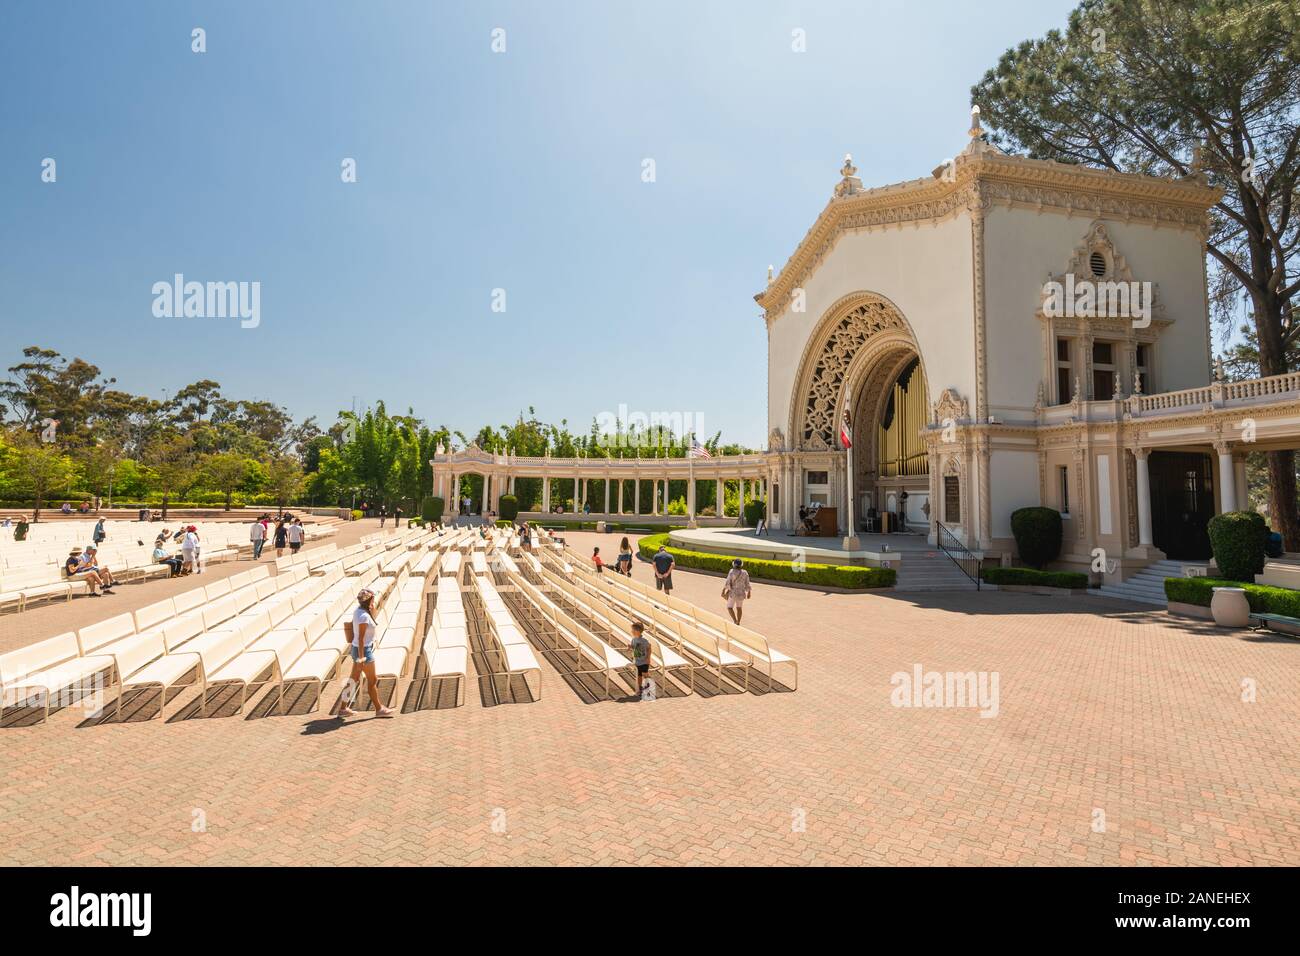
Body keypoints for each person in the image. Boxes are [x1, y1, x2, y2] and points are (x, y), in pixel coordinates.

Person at [340, 588, 396, 719]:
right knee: (372, 680)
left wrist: (371, 608)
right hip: (363, 651)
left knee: (352, 681)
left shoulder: (359, 611)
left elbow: (373, 618)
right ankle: (379, 709)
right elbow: (360, 638)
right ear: (368, 600)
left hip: (357, 649)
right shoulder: (363, 616)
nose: (374, 601)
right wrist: (361, 658)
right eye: (372, 599)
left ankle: (343, 708)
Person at [722, 558, 753, 625]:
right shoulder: (745, 572)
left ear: (734, 564)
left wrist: (723, 590)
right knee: (739, 608)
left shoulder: (731, 571)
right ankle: (738, 621)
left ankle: (735, 620)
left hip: (733, 593)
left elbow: (727, 582)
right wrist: (749, 592)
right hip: (741, 593)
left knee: (729, 607)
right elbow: (747, 583)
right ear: (741, 564)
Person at [630, 622, 651, 699]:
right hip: (638, 661)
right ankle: (640, 688)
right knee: (639, 675)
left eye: (633, 630)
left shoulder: (644, 641)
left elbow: (649, 648)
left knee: (645, 674)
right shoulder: (633, 639)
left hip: (644, 661)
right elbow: (633, 647)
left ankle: (648, 686)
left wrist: (648, 658)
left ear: (637, 631)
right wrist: (630, 647)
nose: (631, 631)